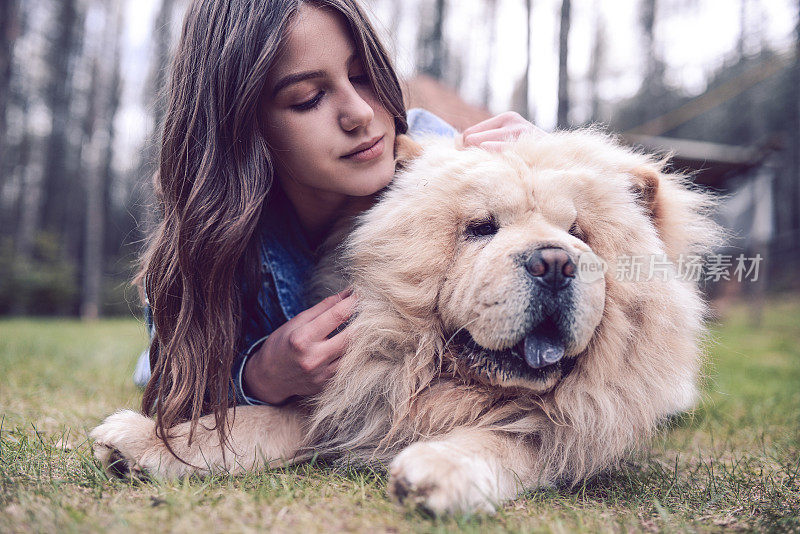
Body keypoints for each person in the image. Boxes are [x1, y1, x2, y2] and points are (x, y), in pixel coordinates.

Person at [136, 0, 541, 447]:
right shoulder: (214, 226)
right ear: (244, 128)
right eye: (308, 98)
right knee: (146, 367)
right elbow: (173, 382)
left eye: (364, 75)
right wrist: (260, 375)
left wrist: (546, 168)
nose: (360, 114)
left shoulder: (454, 169)